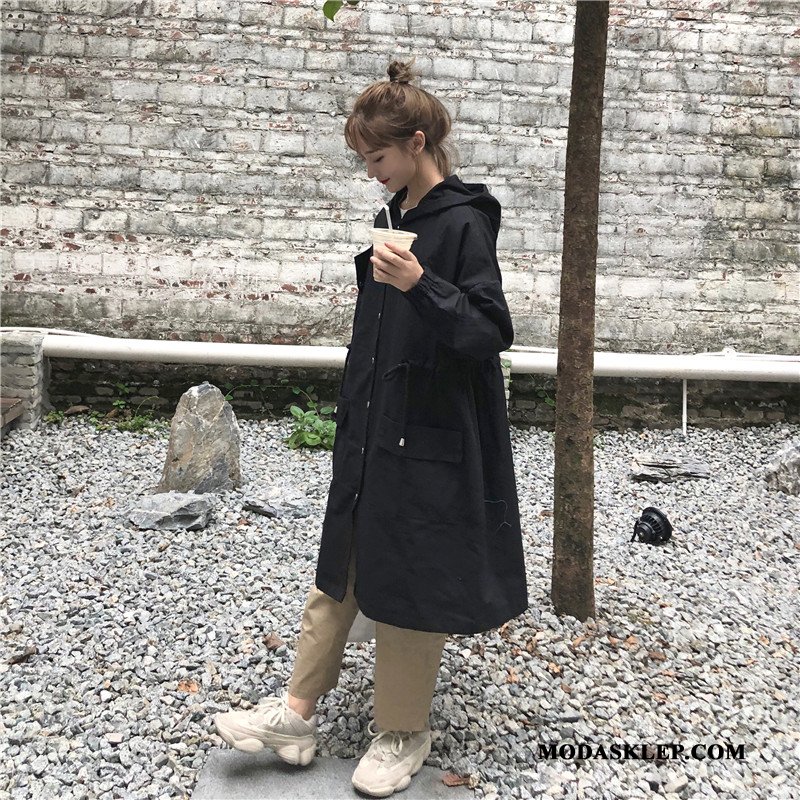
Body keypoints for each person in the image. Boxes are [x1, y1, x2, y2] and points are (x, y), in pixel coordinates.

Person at [214, 56, 528, 798]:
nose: (370, 173)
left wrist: (421, 283)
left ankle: (403, 731)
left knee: (411, 573)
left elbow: (490, 331)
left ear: (417, 144)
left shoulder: (462, 222)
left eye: (377, 158)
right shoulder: (396, 218)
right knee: (345, 562)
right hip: (374, 428)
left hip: (432, 435)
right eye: (364, 160)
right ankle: (295, 715)